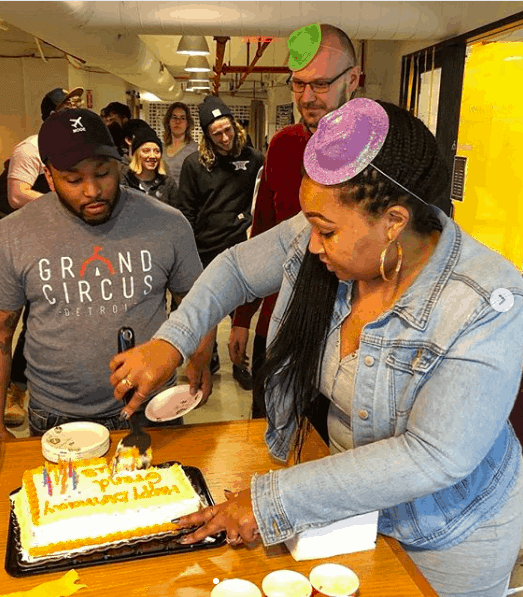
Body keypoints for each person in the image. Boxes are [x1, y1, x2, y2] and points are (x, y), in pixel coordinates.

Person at [109, 99, 523, 597]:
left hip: (447, 536)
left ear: (393, 221)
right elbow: (236, 269)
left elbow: (433, 455)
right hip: (349, 508)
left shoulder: (486, 301)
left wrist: (271, 500)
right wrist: (172, 342)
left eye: (325, 231)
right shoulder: (327, 236)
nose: (310, 244)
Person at [0, 108, 214, 441]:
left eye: (103, 173)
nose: (92, 190)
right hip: (58, 417)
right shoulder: (15, 234)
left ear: (118, 163)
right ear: (48, 175)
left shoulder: (168, 224)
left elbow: (198, 300)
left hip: (152, 407)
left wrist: (199, 358)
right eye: (73, 179)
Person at [229, 23, 360, 415]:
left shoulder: (377, 151)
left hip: (343, 330)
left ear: (353, 79)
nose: (307, 97)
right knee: (265, 431)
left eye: (320, 85)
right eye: (298, 84)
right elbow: (263, 232)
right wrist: (243, 316)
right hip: (280, 319)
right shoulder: (283, 147)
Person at [2, 86, 84, 427]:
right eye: (68, 106)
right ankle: (16, 387)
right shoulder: (31, 148)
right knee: (37, 314)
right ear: (51, 113)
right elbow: (16, 194)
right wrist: (63, 202)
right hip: (37, 241)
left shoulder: (79, 146)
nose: (75, 110)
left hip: (74, 240)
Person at [177, 95, 264, 377]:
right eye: (217, 134)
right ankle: (209, 356)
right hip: (206, 248)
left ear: (235, 126)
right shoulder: (194, 164)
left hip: (240, 247)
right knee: (208, 310)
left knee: (239, 312)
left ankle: (239, 363)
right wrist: (188, 254)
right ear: (207, 136)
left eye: (228, 131)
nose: (225, 138)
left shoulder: (253, 159)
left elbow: (262, 201)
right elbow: (186, 211)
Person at [122, 126, 178, 207]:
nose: (152, 156)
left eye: (157, 151)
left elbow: (175, 215)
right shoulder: (125, 181)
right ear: (137, 155)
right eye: (146, 151)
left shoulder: (168, 184)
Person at [162, 102, 198, 187]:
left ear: (188, 123)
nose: (178, 122)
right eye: (174, 117)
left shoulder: (195, 150)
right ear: (168, 121)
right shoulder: (160, 149)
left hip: (184, 198)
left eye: (182, 118)